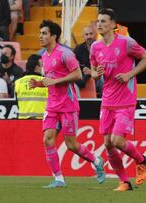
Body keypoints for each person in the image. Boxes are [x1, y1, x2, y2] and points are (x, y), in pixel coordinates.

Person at [29, 20, 105, 188]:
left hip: (68, 105)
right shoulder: (44, 56)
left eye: (44, 33)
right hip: (52, 106)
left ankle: (96, 160)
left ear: (53, 36)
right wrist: (39, 83)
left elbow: (78, 75)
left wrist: (56, 81)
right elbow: (50, 80)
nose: (40, 36)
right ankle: (59, 179)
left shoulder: (65, 53)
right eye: (40, 33)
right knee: (47, 140)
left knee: (71, 145)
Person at [90, 9, 146, 191]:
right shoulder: (95, 47)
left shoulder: (126, 43)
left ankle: (141, 160)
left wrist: (129, 74)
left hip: (125, 100)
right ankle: (124, 181)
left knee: (117, 141)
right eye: (98, 21)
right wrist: (96, 74)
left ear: (112, 24)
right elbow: (93, 71)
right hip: (107, 101)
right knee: (108, 144)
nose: (99, 24)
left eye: (103, 21)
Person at [15, 54, 47, 119]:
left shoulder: (18, 82)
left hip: (23, 122)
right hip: (43, 122)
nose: (44, 68)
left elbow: (17, 103)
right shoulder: (47, 82)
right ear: (36, 67)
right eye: (42, 65)